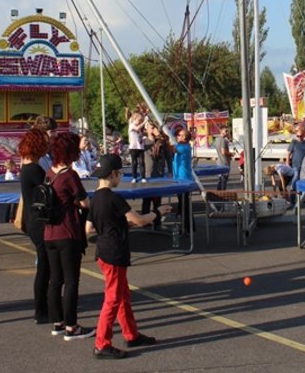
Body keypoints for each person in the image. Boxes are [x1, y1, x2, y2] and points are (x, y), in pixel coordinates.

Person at [86, 154, 173, 360]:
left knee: (122, 295)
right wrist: (158, 213)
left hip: (103, 251)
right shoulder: (114, 198)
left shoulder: (95, 198)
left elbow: (89, 228)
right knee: (113, 298)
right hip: (114, 252)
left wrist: (114, 225)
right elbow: (141, 220)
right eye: (119, 174)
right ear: (114, 174)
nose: (120, 178)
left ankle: (131, 334)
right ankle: (102, 344)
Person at [43, 131, 93, 341]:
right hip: (67, 231)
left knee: (55, 280)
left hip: (49, 233)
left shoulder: (49, 172)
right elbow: (84, 203)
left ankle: (58, 322)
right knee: (72, 280)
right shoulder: (69, 175)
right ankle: (72, 326)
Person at [18, 129, 51, 325]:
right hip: (39, 222)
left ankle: (42, 307)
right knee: (45, 268)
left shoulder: (27, 168)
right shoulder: (35, 170)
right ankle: (41, 309)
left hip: (32, 221)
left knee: (44, 266)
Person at [172, 128, 194, 234]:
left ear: (184, 137)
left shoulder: (183, 147)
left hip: (184, 180)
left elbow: (172, 149)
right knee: (183, 205)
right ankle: (188, 227)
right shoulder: (182, 146)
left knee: (185, 206)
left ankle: (187, 227)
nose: (177, 136)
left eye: (179, 135)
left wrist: (166, 139)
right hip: (180, 178)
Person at [128, 112, 146, 183]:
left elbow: (139, 135)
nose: (139, 122)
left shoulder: (139, 128)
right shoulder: (131, 125)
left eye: (140, 121)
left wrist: (143, 137)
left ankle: (143, 177)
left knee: (141, 162)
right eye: (139, 120)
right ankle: (134, 177)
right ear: (134, 119)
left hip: (140, 147)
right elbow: (137, 128)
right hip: (133, 147)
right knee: (134, 162)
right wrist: (145, 121)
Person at [213, 126, 233, 191]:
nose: (227, 133)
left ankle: (219, 195)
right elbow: (223, 152)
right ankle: (221, 195)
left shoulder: (217, 139)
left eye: (228, 131)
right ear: (221, 131)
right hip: (224, 162)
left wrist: (229, 137)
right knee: (223, 180)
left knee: (221, 180)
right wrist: (230, 154)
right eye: (226, 131)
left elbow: (230, 140)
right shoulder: (223, 140)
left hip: (219, 162)